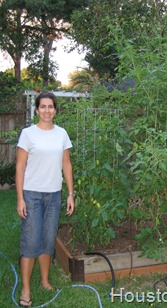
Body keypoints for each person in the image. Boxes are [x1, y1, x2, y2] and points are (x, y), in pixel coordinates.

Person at [15, 92, 75, 307]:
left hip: (54, 195)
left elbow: (66, 164)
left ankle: (45, 281)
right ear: (37, 110)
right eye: (43, 107)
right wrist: (20, 198)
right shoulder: (28, 134)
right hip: (31, 194)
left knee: (48, 241)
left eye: (51, 107)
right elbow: (20, 166)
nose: (47, 110)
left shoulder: (62, 134)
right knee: (31, 242)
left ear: (55, 110)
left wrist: (70, 193)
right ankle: (26, 288)